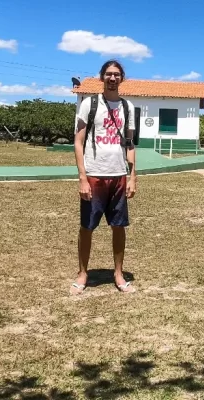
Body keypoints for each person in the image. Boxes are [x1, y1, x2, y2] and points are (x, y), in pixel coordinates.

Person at [72, 59, 137, 294]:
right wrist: (82, 176)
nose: (112, 78)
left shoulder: (128, 107)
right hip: (94, 175)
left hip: (118, 175)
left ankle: (118, 274)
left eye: (116, 74)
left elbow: (130, 144)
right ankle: (82, 274)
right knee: (86, 227)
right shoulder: (89, 105)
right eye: (108, 74)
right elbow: (78, 142)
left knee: (119, 227)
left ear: (122, 78)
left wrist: (133, 176)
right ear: (102, 77)